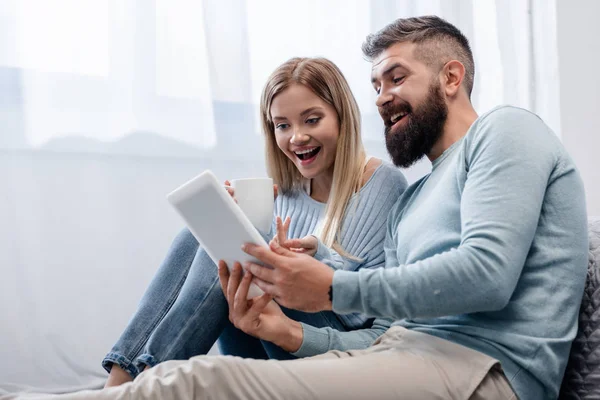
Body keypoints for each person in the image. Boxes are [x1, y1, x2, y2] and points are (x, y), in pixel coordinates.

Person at [39, 15, 587, 400]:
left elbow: (487, 276)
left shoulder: (506, 131)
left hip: (484, 374)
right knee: (193, 370)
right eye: (375, 84)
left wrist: (329, 287)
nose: (380, 96)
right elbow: (382, 329)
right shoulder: (418, 197)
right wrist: (294, 326)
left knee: (188, 384)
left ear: (451, 76)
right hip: (401, 353)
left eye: (396, 77)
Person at [102, 57, 408, 387]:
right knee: (204, 231)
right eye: (283, 125)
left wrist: (310, 257)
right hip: (260, 334)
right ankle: (120, 382)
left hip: (322, 343)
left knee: (237, 246)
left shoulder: (382, 183)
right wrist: (230, 218)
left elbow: (365, 314)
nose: (297, 137)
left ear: (342, 117)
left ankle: (142, 386)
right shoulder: (285, 190)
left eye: (312, 119)